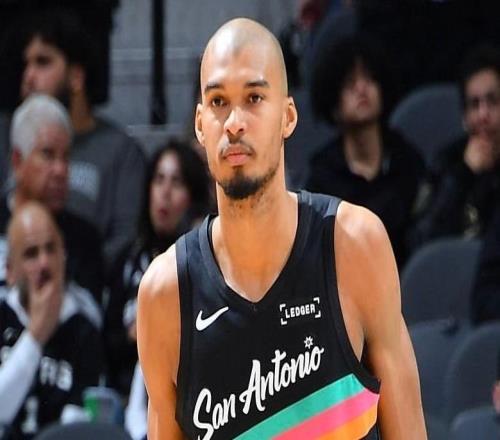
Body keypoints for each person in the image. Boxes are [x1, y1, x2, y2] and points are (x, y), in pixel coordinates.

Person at [137, 18, 425, 439]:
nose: (234, 122)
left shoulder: (354, 244)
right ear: (199, 125)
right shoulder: (164, 292)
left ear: (288, 117)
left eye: (254, 98)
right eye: (218, 102)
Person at [18, 9, 146, 268]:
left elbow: (125, 241)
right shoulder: (16, 143)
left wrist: (69, 276)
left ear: (76, 77)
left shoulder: (122, 152)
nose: (28, 77)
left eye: (42, 62)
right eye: (26, 64)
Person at [306, 34, 424, 265]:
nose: (362, 88)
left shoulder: (407, 160)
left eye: (370, 79)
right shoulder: (323, 176)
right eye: (350, 83)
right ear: (334, 102)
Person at [105, 138, 211, 396]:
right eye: (159, 179)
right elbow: (107, 342)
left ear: (193, 197)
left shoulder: (207, 264)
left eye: (177, 183)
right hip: (125, 394)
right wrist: (136, 335)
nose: (165, 192)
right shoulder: (128, 260)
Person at [0, 202, 104, 439]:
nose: (44, 263)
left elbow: (78, 429)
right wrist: (35, 336)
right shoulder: (3, 316)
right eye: (31, 254)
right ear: (10, 270)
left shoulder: (83, 331)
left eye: (51, 249)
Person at [0, 94, 104, 303]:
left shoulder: (85, 240)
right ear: (18, 161)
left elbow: (90, 316)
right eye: (48, 154)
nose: (61, 170)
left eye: (66, 157)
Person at [411, 44, 500, 248]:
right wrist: (464, 174)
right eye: (474, 104)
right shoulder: (446, 163)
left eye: (493, 101)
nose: (483, 115)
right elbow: (420, 243)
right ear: (464, 117)